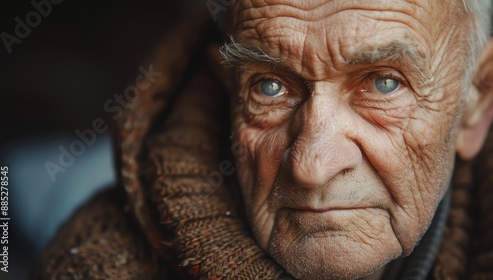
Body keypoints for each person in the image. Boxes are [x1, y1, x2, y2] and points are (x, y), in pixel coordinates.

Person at [32, 0, 493, 279]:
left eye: (384, 84)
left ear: (477, 102)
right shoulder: (93, 266)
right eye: (269, 86)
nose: (311, 165)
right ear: (228, 90)